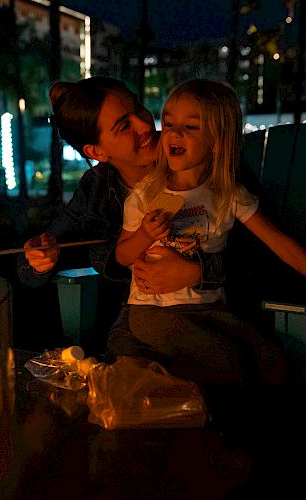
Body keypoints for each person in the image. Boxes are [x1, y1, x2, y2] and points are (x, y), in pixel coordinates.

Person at [116, 78, 306, 393]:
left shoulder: (226, 194)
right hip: (153, 310)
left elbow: (279, 244)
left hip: (211, 307)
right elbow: (122, 255)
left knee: (270, 355)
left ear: (217, 141)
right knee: (227, 360)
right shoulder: (149, 193)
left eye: (191, 128)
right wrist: (145, 234)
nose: (174, 133)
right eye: (170, 122)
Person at [17, 77, 224, 355]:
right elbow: (31, 267)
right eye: (124, 125)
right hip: (139, 316)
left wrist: (198, 271)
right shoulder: (97, 189)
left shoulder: (199, 154)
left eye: (138, 108)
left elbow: (261, 252)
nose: (145, 125)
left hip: (211, 310)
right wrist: (39, 259)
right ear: (97, 151)